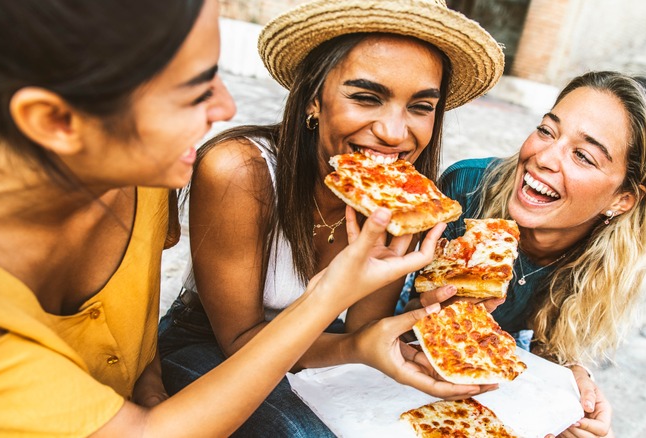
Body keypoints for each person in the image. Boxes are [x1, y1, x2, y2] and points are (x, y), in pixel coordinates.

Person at [0, 0, 453, 436]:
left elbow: (129, 325)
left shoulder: (147, 182)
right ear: (54, 121)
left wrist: (149, 383)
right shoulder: (225, 168)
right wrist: (332, 303)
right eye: (193, 86)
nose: (228, 108)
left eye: (421, 105)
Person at [157, 0, 504, 436]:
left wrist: (433, 315)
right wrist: (357, 347)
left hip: (321, 346)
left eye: (420, 106)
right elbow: (239, 341)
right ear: (313, 99)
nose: (395, 133)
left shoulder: (408, 200)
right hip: (208, 345)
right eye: (366, 97)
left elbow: (363, 330)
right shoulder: (239, 170)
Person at [411, 70, 646, 437]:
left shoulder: (613, 261)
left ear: (623, 199)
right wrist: (429, 304)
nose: (544, 157)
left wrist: (569, 380)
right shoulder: (466, 187)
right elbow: (402, 309)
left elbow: (542, 344)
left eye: (583, 156)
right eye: (547, 130)